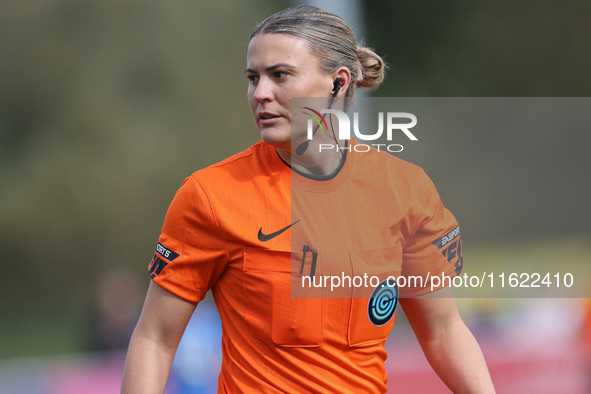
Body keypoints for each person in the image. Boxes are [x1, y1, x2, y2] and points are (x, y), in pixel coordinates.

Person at [121, 5, 494, 393]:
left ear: (338, 82)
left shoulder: (406, 190)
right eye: (253, 78)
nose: (260, 93)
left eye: (279, 75)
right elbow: (155, 339)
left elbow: (443, 330)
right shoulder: (210, 195)